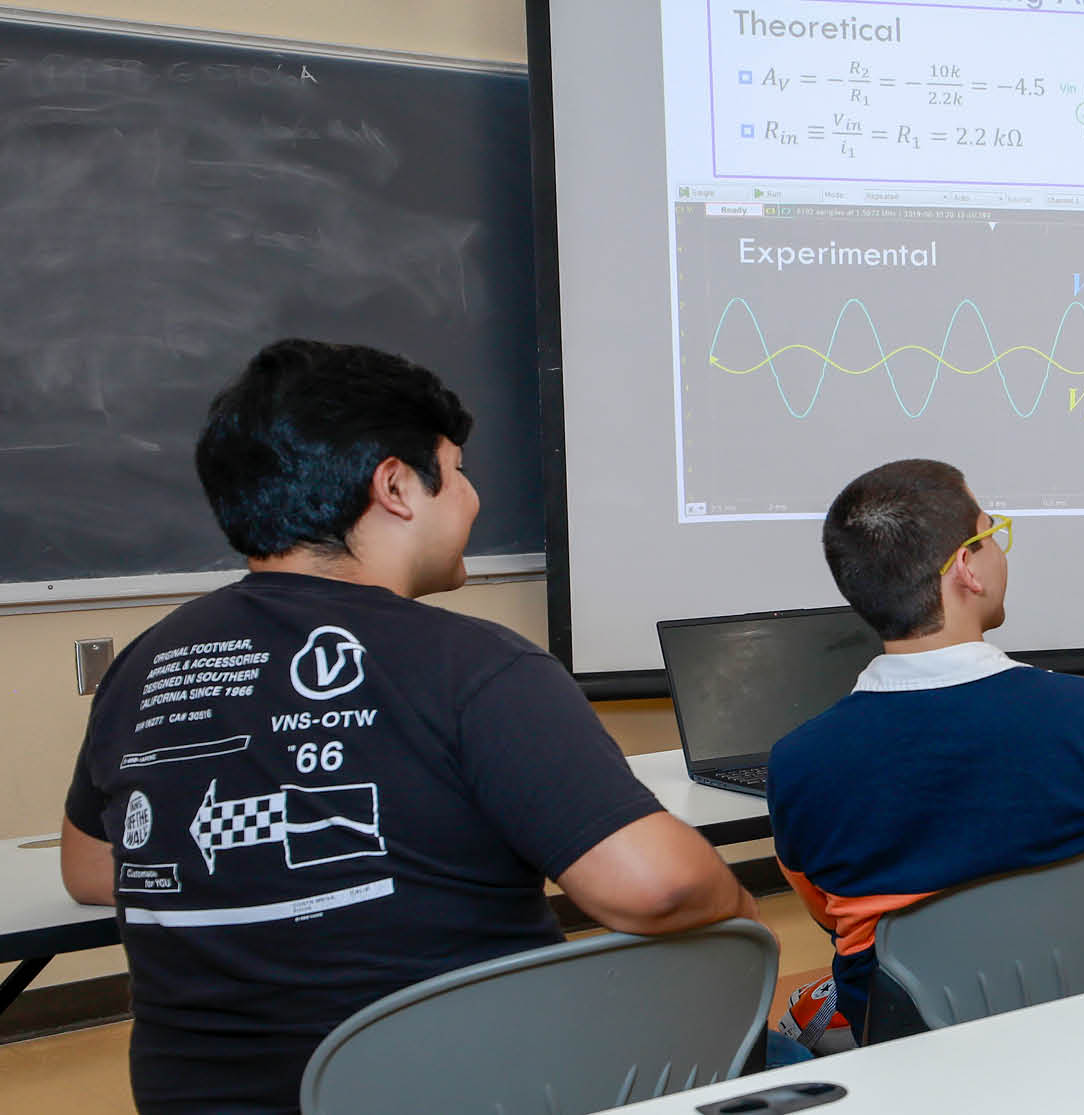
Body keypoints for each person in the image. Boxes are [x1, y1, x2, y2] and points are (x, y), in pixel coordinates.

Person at [58, 339, 753, 1113]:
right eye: (455, 472)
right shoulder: (476, 665)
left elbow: (91, 869)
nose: (472, 497)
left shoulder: (148, 661)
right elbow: (658, 885)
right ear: (395, 485)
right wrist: (738, 908)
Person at [766, 459, 1084, 1046]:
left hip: (911, 1055)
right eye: (990, 535)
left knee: (782, 1039)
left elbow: (828, 916)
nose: (999, 551)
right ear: (967, 568)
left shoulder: (798, 764)